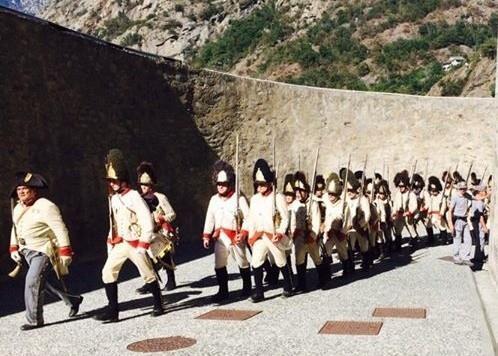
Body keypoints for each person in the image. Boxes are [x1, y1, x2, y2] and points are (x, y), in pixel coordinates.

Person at [93, 149, 164, 323]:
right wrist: (110, 240)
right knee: (107, 272)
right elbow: (114, 222)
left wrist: (143, 244)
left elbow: (146, 219)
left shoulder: (133, 196)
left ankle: (158, 303)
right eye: (111, 181)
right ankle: (113, 311)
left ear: (123, 180)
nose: (112, 184)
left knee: (147, 274)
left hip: (136, 242)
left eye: (115, 181)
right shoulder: (114, 198)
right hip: (122, 242)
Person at [8, 172, 83, 330]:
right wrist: (13, 247)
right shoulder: (18, 207)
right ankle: (72, 300)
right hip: (26, 251)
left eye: (25, 189)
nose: (21, 192)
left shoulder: (46, 206)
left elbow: (60, 229)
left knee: (32, 281)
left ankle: (34, 320)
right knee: (43, 283)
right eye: (19, 189)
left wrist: (65, 251)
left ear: (34, 191)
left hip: (43, 250)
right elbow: (15, 228)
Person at [202, 160, 252, 302]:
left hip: (235, 236)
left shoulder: (239, 199)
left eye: (224, 184)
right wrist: (206, 235)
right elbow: (210, 218)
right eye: (219, 184)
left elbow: (248, 218)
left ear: (229, 183)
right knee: (219, 264)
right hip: (220, 237)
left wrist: (243, 233)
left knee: (242, 262)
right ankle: (223, 291)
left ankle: (247, 287)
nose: (221, 187)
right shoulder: (214, 200)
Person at [247, 159, 293, 302]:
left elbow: (285, 218)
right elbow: (251, 219)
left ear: (268, 182)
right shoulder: (254, 199)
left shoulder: (278, 197)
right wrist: (251, 235)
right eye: (257, 184)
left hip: (273, 235)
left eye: (262, 184)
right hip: (259, 236)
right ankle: (259, 292)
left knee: (280, 261)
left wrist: (280, 232)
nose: (259, 186)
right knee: (256, 262)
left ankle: (288, 285)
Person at [135, 162, 178, 294]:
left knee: (164, 256)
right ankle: (150, 282)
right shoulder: (138, 199)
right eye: (142, 185)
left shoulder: (160, 197)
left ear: (151, 185)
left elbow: (172, 214)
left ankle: (171, 280)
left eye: (146, 185)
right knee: (146, 258)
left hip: (160, 232)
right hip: (146, 233)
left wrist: (163, 218)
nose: (143, 187)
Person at [289, 171, 326, 292]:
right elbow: (292, 222)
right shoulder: (294, 205)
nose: (298, 194)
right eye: (296, 191)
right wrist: (294, 234)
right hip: (299, 236)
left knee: (316, 257)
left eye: (301, 191)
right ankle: (301, 284)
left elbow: (316, 222)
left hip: (310, 236)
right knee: (299, 259)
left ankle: (322, 279)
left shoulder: (313, 204)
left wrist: (313, 235)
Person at [322, 172, 352, 277]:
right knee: (326, 251)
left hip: (339, 232)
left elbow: (347, 220)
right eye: (329, 193)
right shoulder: (326, 202)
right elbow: (326, 217)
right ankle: (326, 274)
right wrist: (325, 228)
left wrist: (343, 232)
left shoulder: (344, 205)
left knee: (343, 252)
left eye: (333, 194)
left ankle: (347, 269)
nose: (330, 196)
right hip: (329, 232)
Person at [447, 181, 473, 266]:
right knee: (457, 239)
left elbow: (475, 198)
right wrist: (451, 224)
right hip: (458, 219)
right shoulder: (455, 197)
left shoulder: (467, 196)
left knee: (468, 239)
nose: (463, 190)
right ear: (458, 188)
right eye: (461, 188)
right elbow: (450, 211)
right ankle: (456, 257)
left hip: (465, 219)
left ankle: (466, 257)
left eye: (464, 188)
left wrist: (487, 195)